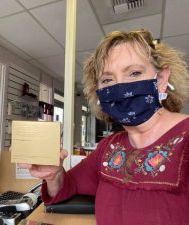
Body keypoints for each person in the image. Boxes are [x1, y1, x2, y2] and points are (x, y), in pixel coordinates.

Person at [20, 29, 189, 225]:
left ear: (161, 79)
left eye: (134, 73)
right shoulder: (108, 149)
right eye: (107, 80)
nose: (120, 88)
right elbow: (67, 186)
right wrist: (54, 175)